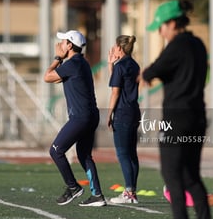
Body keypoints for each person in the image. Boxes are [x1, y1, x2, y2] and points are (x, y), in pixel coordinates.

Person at [141, 0, 213, 219]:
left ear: (172, 23)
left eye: (161, 27)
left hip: (176, 118)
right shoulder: (198, 44)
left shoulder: (177, 45)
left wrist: (144, 75)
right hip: (197, 116)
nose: (160, 32)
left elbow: (151, 72)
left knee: (171, 174)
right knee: (192, 176)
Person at [43, 30, 106, 207]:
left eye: (62, 42)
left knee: (56, 151)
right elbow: (56, 79)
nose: (60, 44)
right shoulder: (80, 63)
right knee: (84, 154)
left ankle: (73, 187)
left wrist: (57, 57)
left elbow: (47, 77)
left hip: (81, 117)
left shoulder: (73, 64)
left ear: (69, 45)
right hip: (90, 115)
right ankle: (97, 195)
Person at [106, 35, 141, 204]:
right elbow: (118, 82)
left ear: (119, 48)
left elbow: (115, 92)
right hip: (134, 111)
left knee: (122, 153)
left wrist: (109, 113)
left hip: (122, 112)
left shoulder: (121, 66)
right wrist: (110, 65)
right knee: (132, 153)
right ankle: (132, 191)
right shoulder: (134, 65)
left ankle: (128, 192)